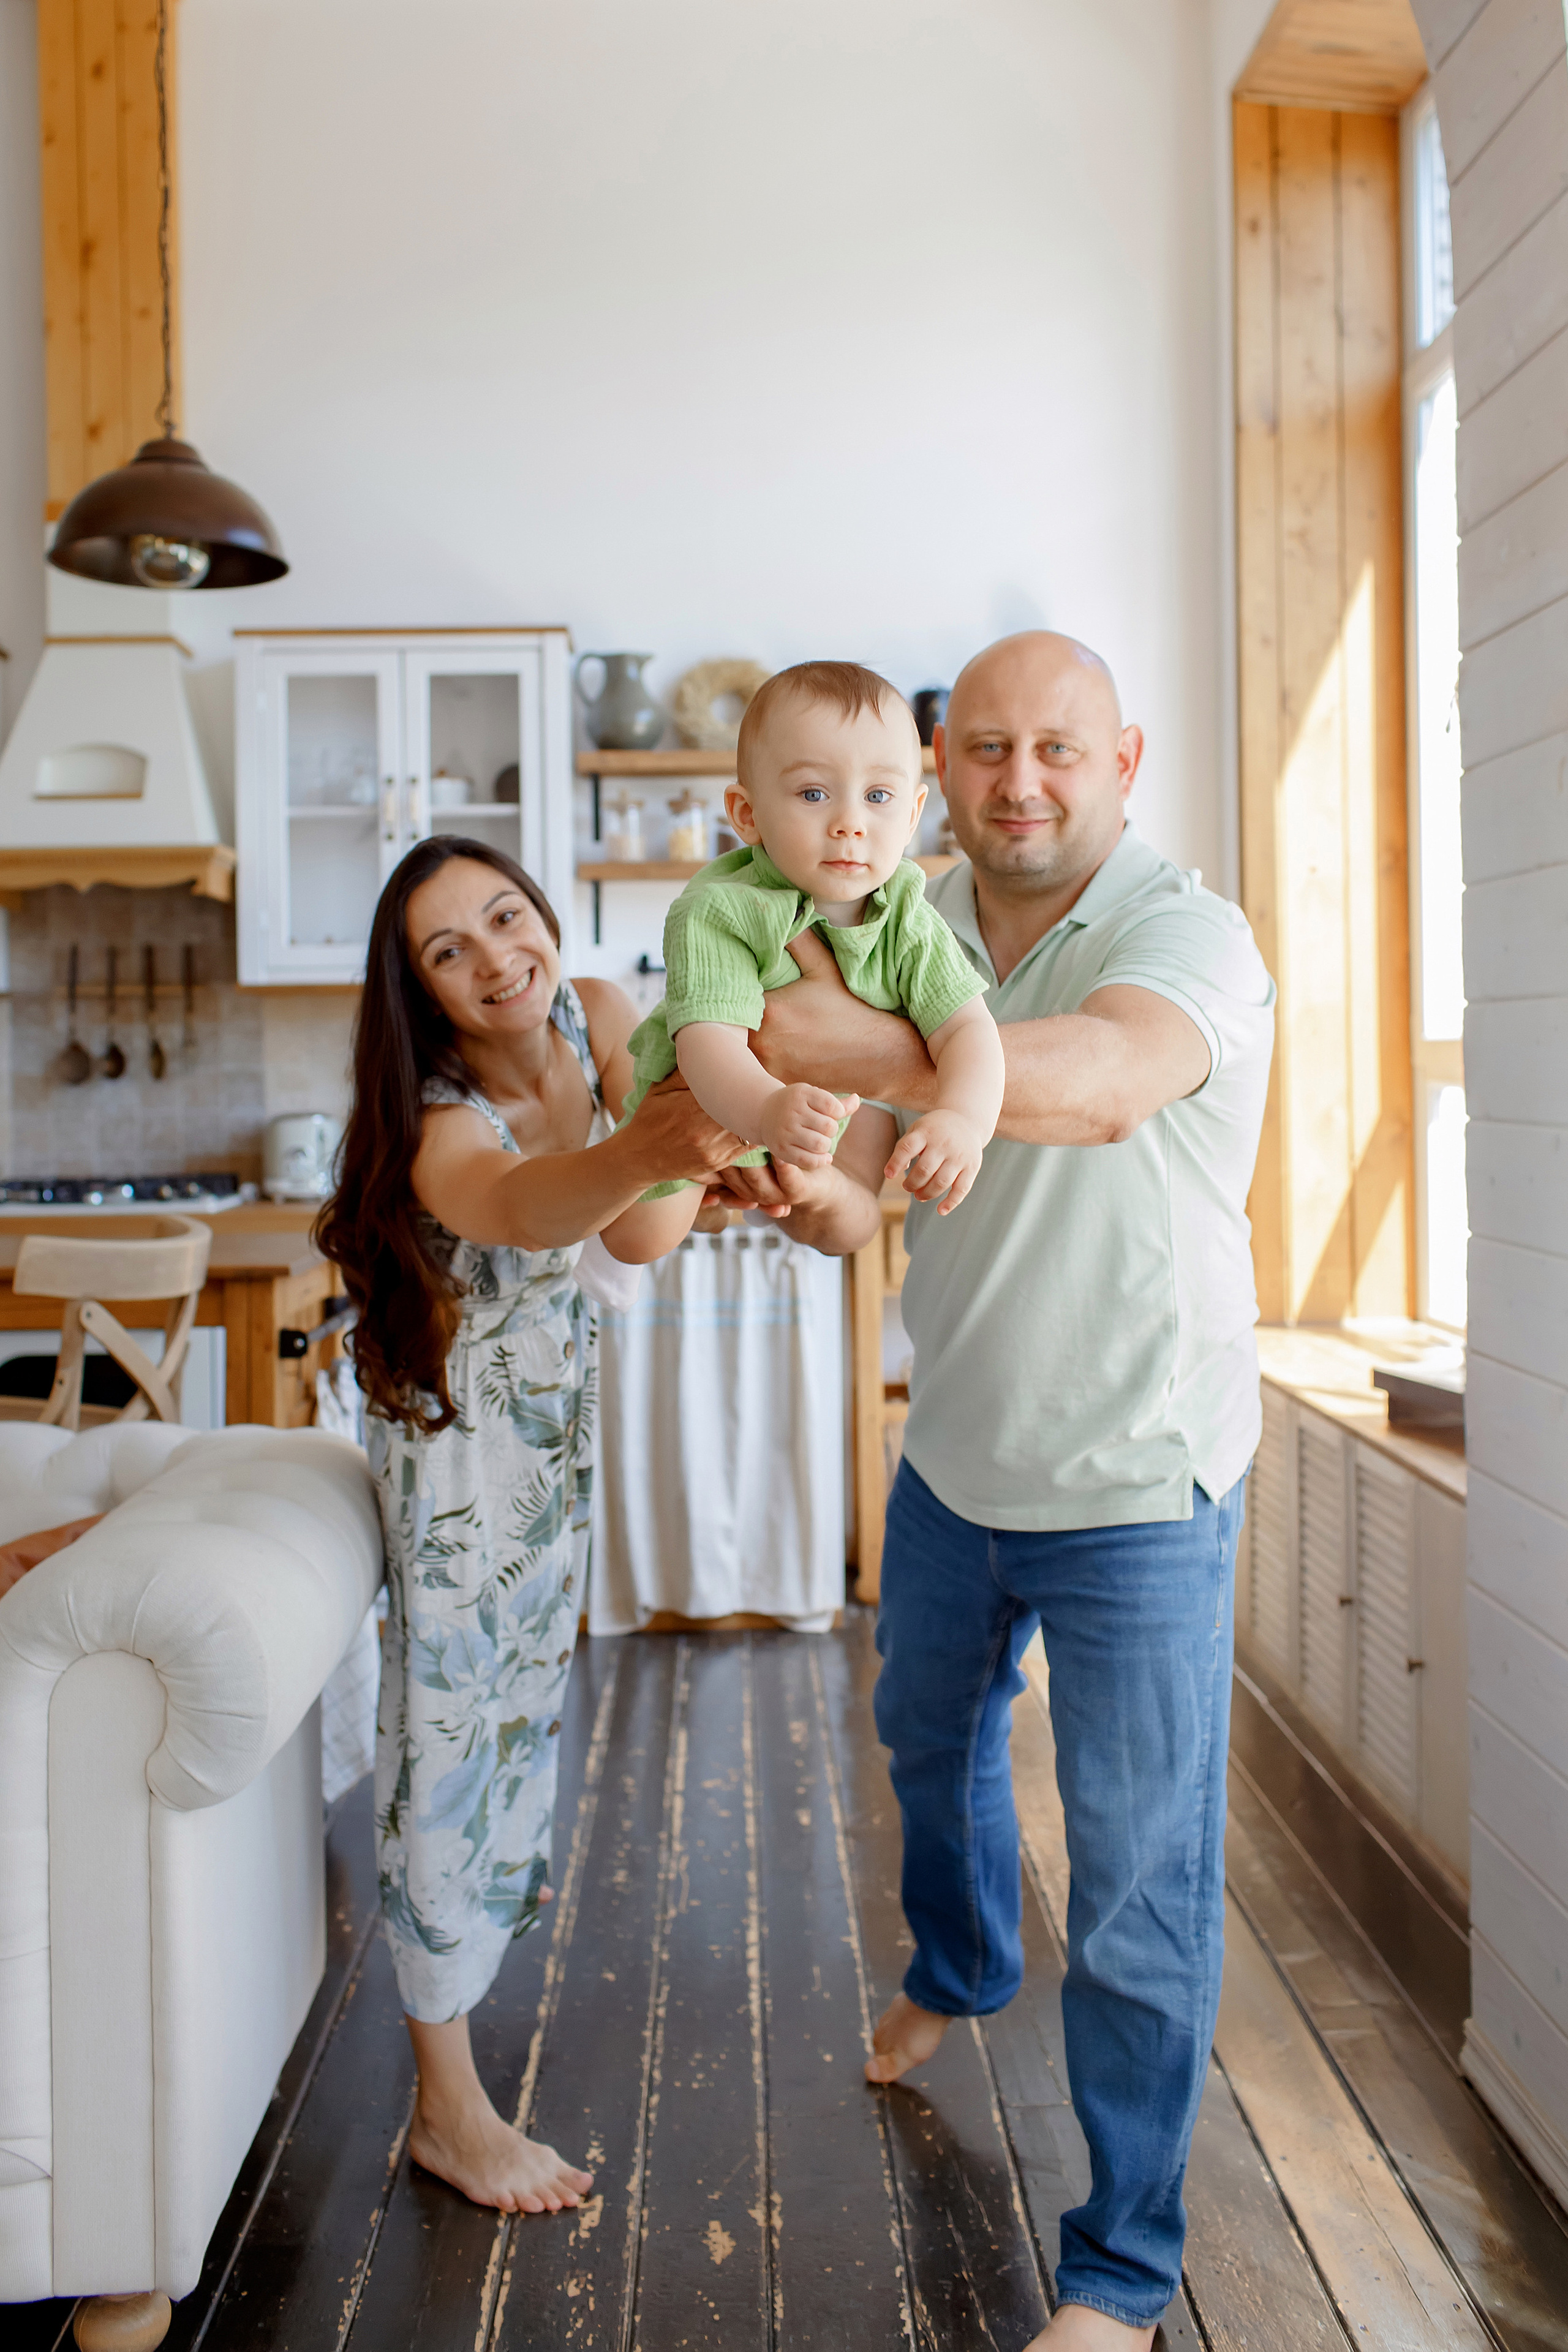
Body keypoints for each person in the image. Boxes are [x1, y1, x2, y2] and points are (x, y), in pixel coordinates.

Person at [713, 631, 1275, 2348]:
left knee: (1132, 1884)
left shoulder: (1189, 931)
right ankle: (957, 1976)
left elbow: (1102, 1089)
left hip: (1137, 1474)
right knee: (925, 1743)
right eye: (988, 752)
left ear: (1126, 758)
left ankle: (1119, 2271)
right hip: (958, 1455)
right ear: (941, 764)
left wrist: (858, 1049)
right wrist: (791, 1180)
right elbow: (872, 1188)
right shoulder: (911, 927)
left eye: (1061, 749)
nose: (1021, 783)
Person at [318, 835, 744, 2217]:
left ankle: (461, 2036)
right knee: (440, 1745)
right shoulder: (439, 1119)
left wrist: (684, 1151)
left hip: (547, 1440)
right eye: (450, 951)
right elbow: (521, 1206)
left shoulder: (602, 1016)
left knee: (511, 1723)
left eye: (505, 917)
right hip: (448, 1457)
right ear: (421, 994)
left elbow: (638, 1236)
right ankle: (447, 2112)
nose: (497, 958)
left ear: (542, 913)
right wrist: (658, 1144)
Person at [620, 661, 1005, 1218]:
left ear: (914, 813)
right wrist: (764, 1111)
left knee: (829, 1214)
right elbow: (711, 1045)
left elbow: (967, 1027)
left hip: (812, 1138)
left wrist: (965, 1119)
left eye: (877, 797)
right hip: (696, 1111)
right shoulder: (722, 909)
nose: (850, 823)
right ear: (747, 815)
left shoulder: (907, 915)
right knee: (642, 1238)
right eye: (814, 793)